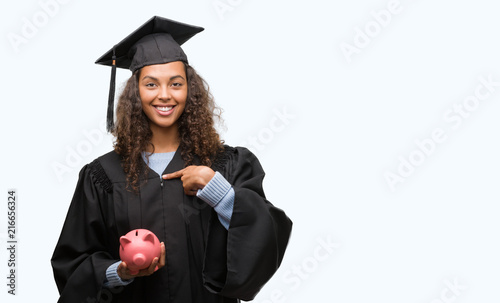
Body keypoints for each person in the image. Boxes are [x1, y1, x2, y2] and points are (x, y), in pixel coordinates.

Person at [51, 16, 292, 303]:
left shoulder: (226, 165)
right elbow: (73, 262)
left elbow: (267, 238)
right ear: (136, 93)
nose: (165, 95)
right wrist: (120, 272)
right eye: (151, 84)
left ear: (190, 91)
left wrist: (219, 191)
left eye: (175, 84)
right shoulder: (102, 176)